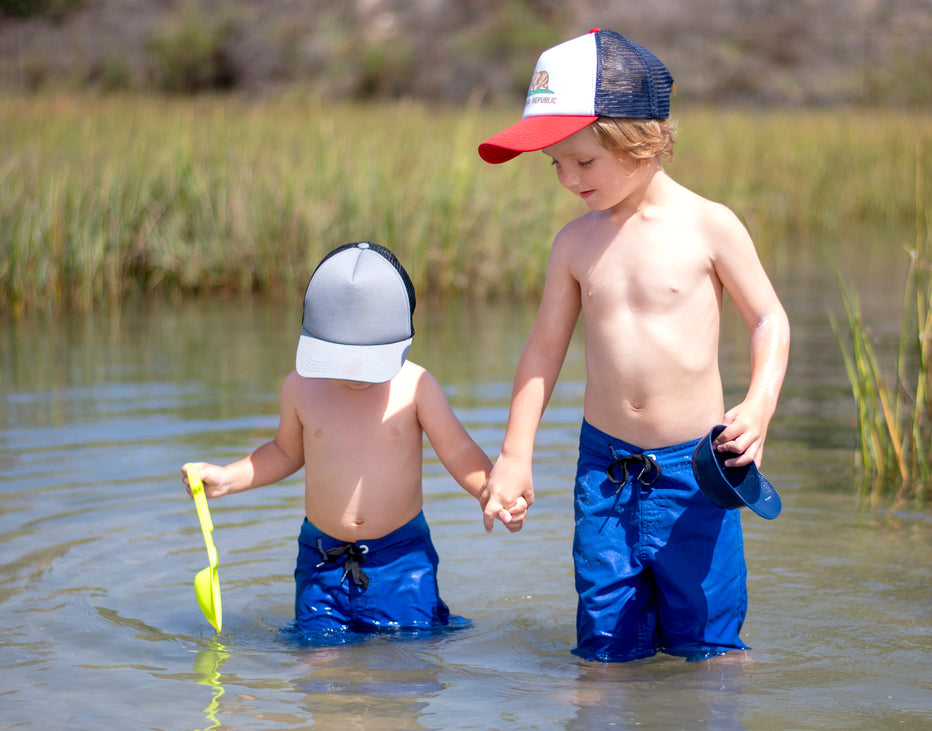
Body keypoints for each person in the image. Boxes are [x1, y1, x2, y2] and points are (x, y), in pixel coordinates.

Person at [477, 29, 790, 662]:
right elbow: (542, 352)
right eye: (555, 164)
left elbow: (769, 321)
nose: (568, 179)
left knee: (709, 648)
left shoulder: (710, 226)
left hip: (697, 475)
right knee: (605, 650)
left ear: (640, 140)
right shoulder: (574, 244)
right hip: (606, 473)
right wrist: (514, 454)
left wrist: (758, 406)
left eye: (583, 161)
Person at [181, 241, 527, 638]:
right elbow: (283, 451)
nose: (356, 375)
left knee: (405, 667)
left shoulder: (415, 386)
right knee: (320, 669)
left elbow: (457, 450)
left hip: (400, 561)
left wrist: (491, 490)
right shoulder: (301, 388)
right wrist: (228, 478)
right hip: (320, 560)